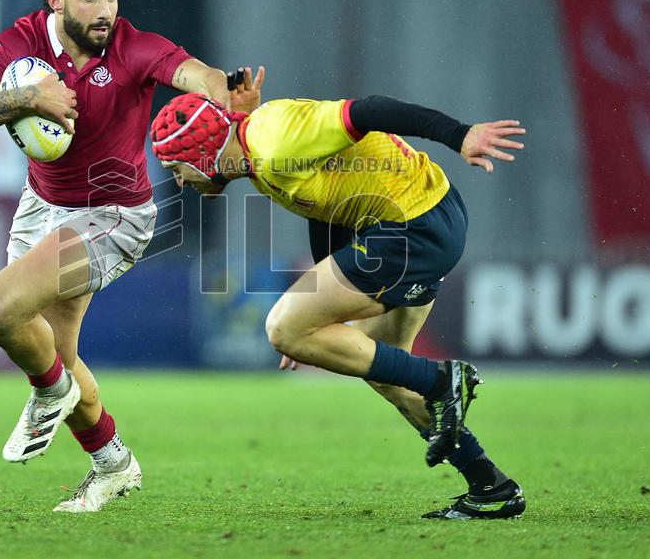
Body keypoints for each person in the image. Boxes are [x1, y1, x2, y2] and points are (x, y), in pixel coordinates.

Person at [150, 68, 528, 519]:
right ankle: (490, 485)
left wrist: (458, 134)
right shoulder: (258, 154)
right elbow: (326, 204)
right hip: (419, 223)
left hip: (411, 227)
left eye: (176, 169)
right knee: (386, 370)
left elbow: (371, 110)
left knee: (282, 327)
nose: (178, 182)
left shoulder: (274, 140)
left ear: (201, 155)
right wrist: (320, 316)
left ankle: (443, 380)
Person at [0, 0, 235, 513]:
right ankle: (113, 463)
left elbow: (198, 75)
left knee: (0, 308)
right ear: (56, 0)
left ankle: (47, 392)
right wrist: (29, 97)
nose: (106, 11)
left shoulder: (133, 48)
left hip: (113, 217)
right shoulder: (20, 44)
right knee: (58, 353)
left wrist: (227, 93)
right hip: (43, 206)